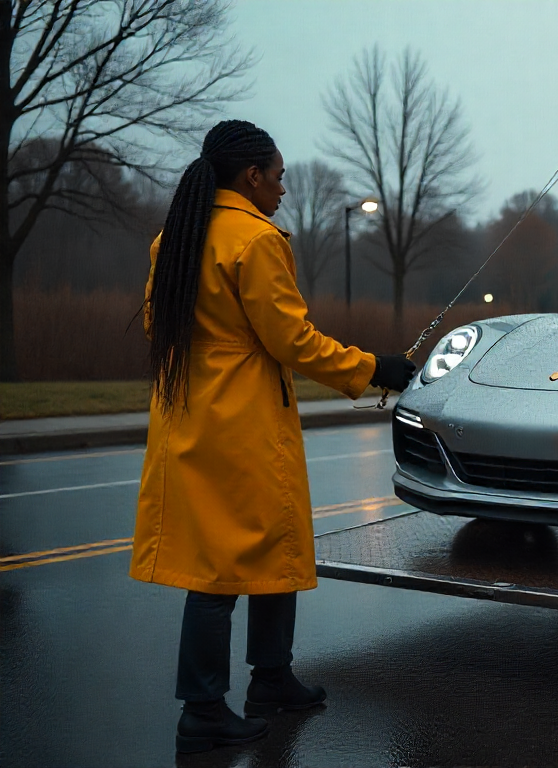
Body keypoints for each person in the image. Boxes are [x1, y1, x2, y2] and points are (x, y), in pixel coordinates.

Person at [130, 120, 417, 754]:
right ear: (251, 176)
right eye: (279, 176)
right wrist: (375, 368)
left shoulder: (174, 236)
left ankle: (272, 679)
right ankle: (204, 707)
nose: (284, 188)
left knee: (263, 544)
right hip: (243, 418)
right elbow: (291, 340)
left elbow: (158, 321)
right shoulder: (256, 240)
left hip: (190, 410)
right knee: (226, 565)